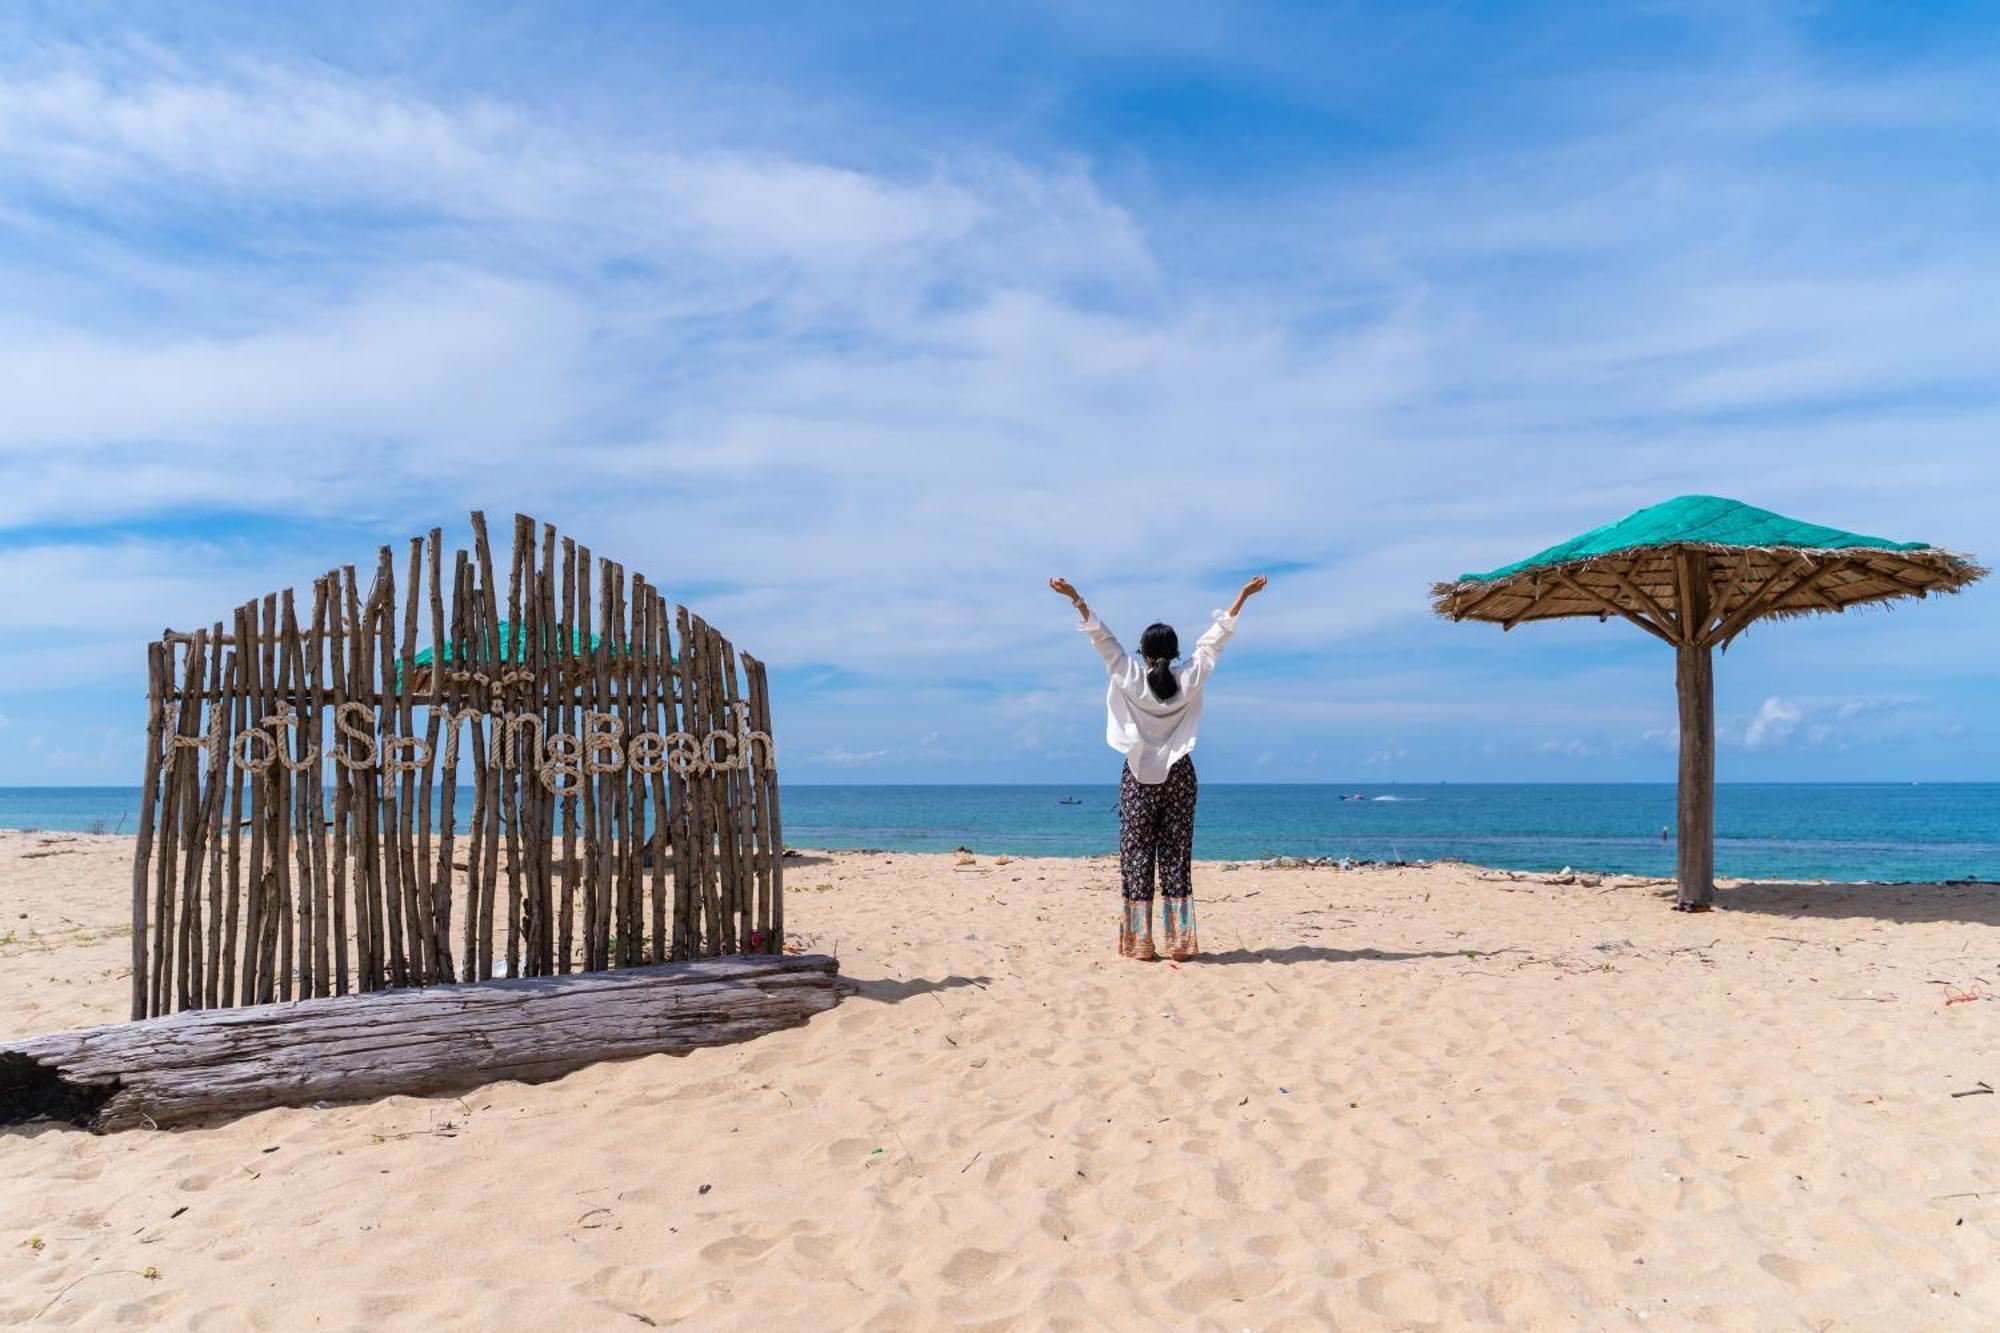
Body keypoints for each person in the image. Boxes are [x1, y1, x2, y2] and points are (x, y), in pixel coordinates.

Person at [1048, 573, 1268, 961]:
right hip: (1181, 776)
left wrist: (1075, 597)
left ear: (1143, 654)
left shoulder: (1130, 675)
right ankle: (1181, 944)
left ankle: (1141, 944)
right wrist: (1243, 596)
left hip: (1137, 776)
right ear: (1175, 651)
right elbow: (1215, 641)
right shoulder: (1189, 677)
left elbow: (1103, 639)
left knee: (1136, 856)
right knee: (1176, 856)